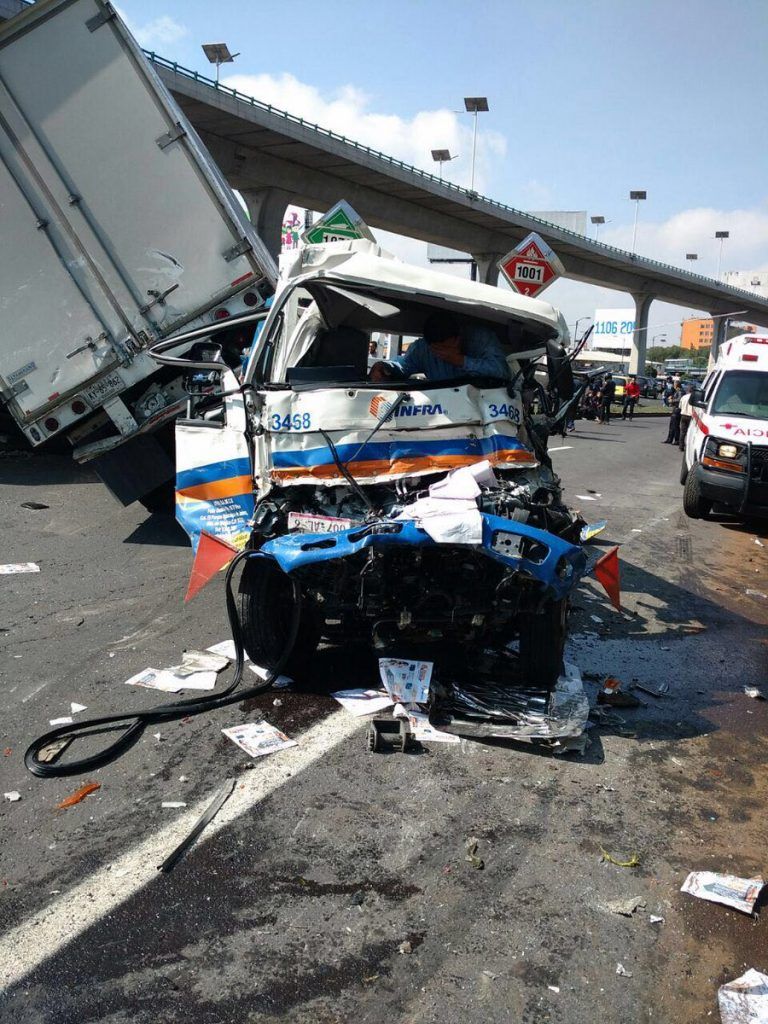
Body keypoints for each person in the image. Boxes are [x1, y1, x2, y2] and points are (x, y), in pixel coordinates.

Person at [369, 311, 510, 383]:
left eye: (449, 347)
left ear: (458, 337)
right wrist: (385, 367)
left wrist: (462, 361)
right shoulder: (422, 349)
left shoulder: (481, 339)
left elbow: (501, 370)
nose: (445, 354)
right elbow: (404, 366)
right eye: (439, 350)